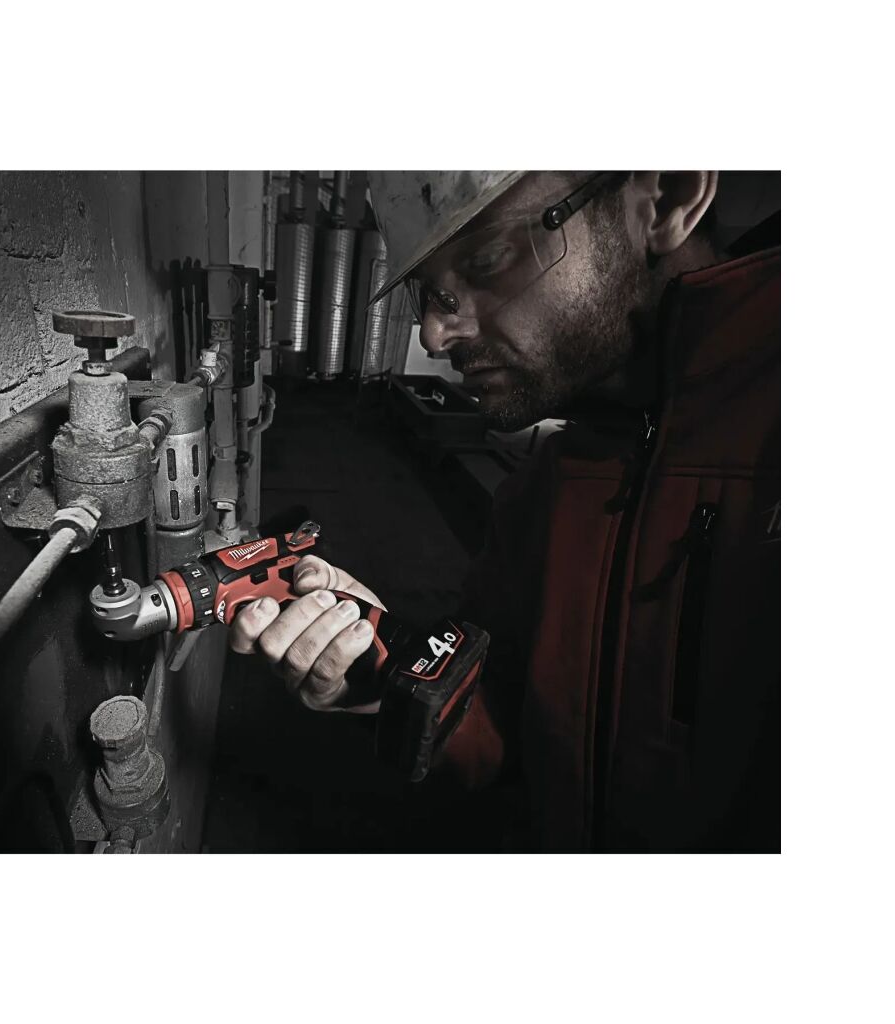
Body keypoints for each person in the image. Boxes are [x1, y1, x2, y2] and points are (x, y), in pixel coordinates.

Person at [230, 171, 780, 851]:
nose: (432, 335)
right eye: (425, 292)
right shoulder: (541, 493)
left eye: (486, 259)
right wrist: (393, 672)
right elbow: (501, 728)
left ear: (667, 197)